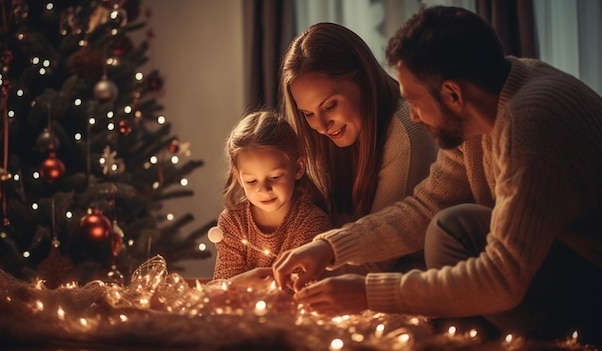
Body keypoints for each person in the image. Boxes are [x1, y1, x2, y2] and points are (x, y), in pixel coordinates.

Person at [273, 6, 602, 345]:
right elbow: (425, 207)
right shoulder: (479, 114)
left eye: (414, 101)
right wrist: (329, 247)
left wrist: (370, 293)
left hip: (593, 289)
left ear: (453, 94)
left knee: (454, 231)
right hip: (566, 268)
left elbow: (502, 278)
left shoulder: (529, 124)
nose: (413, 117)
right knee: (450, 224)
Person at [280, 22, 437, 273]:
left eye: (330, 106)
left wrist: (285, 282)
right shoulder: (328, 139)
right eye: (308, 114)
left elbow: (378, 260)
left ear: (363, 80)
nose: (320, 125)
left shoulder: (406, 132)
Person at [212, 110, 332, 282]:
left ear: (298, 168)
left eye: (275, 177)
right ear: (239, 178)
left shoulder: (311, 222)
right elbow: (222, 288)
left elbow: (306, 288)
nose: (264, 189)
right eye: (252, 181)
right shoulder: (233, 222)